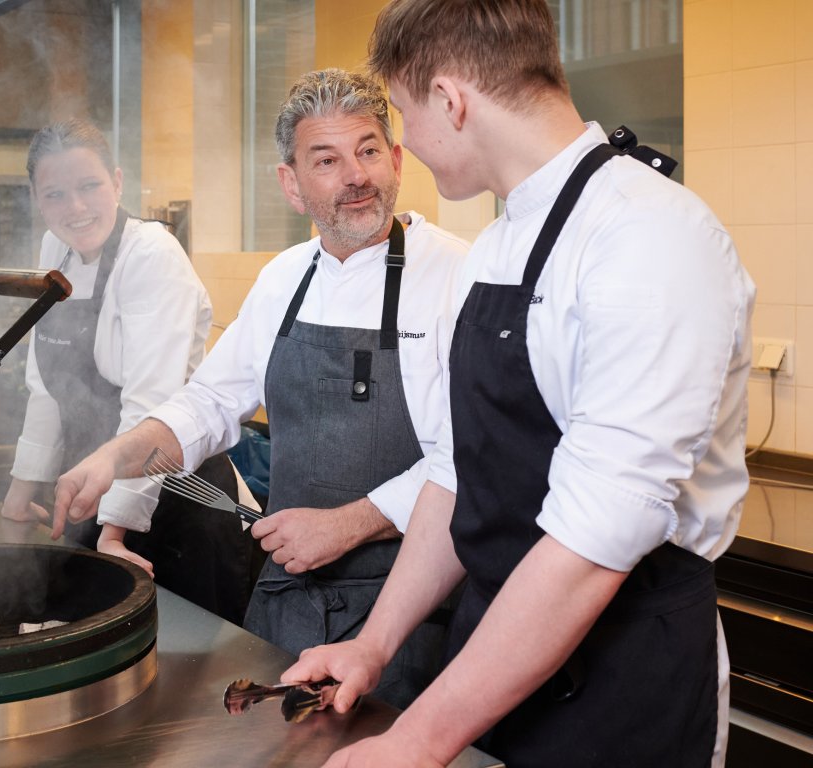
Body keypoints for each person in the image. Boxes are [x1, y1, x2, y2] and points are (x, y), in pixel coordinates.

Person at [282, 2, 756, 767]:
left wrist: (416, 741)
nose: (407, 145)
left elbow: (593, 541)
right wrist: (373, 644)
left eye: (402, 114)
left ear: (449, 100)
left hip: (623, 681)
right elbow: (458, 473)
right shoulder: (497, 245)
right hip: (494, 660)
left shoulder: (649, 237)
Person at [51, 69, 470, 709]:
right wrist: (117, 456)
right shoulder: (284, 278)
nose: (355, 175)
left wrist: (350, 525)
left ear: (396, 160)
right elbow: (210, 403)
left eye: (367, 150)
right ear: (291, 184)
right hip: (287, 603)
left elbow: (469, 458)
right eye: (326, 160)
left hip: (409, 612)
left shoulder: (458, 275)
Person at [2, 117, 258, 625]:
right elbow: (47, 387)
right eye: (55, 195)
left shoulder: (151, 255)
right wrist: (20, 491)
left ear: (117, 182)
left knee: (183, 655)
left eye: (89, 186)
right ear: (36, 199)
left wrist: (114, 530)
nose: (75, 208)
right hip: (97, 491)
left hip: (177, 503)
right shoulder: (56, 250)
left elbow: (151, 405)